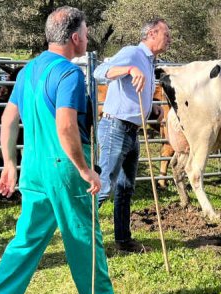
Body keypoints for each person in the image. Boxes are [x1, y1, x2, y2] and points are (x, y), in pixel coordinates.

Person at [0, 6, 129, 294]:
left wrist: (9, 163)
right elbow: (66, 126)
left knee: (24, 243)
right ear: (75, 38)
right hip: (65, 170)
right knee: (84, 237)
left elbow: (8, 120)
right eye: (86, 32)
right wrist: (86, 170)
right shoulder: (70, 74)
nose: (87, 37)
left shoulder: (28, 71)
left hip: (33, 170)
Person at [93, 18, 171, 253]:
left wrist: (152, 109)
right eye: (166, 34)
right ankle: (81, 240)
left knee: (126, 188)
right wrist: (128, 69)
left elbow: (135, 91)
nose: (169, 39)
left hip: (132, 131)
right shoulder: (133, 54)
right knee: (103, 186)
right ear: (151, 34)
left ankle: (123, 239)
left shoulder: (149, 61)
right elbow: (99, 72)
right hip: (115, 128)